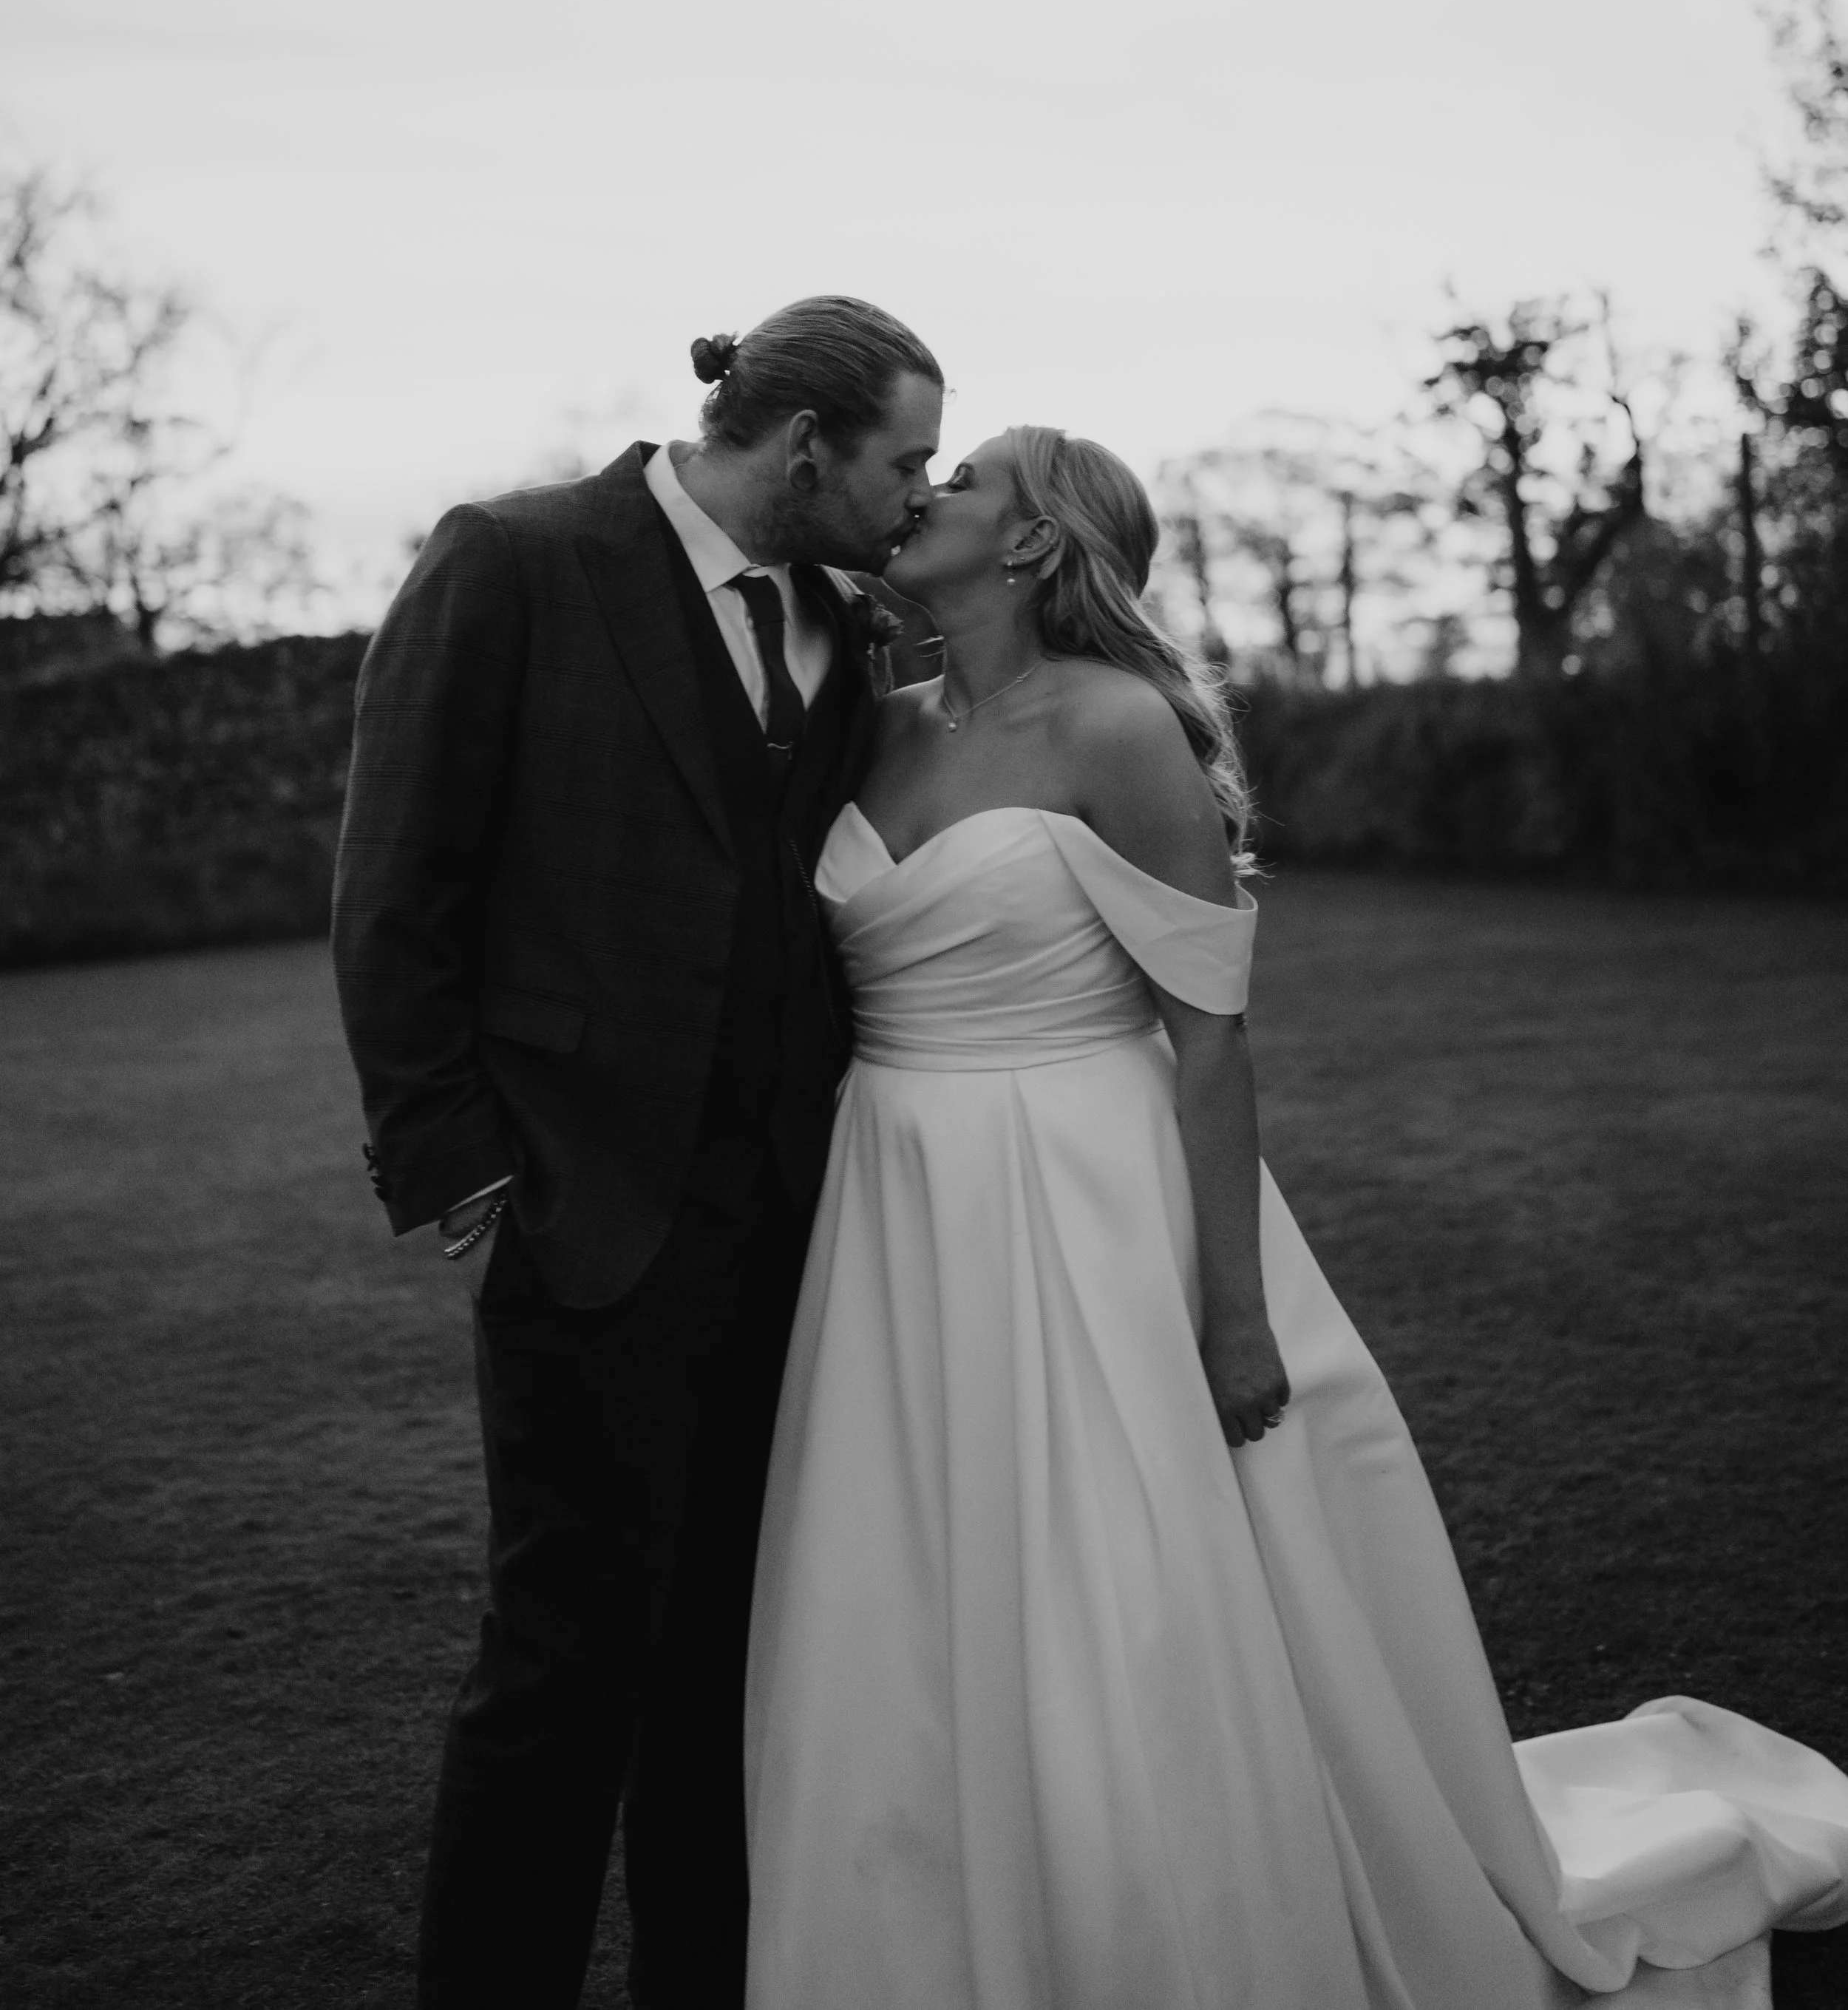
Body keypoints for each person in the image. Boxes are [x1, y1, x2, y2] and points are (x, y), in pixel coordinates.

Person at [742, 424, 1848, 2010]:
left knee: (1113, 1580)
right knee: (909, 1577)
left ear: (1036, 541)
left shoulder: (1117, 728)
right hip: (893, 1202)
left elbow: (1206, 1032)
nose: (921, 493)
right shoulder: (872, 725)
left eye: (963, 477)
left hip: (1082, 1192)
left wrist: (1233, 1307)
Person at [331, 297, 943, 2010]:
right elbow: (397, 883)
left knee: (734, 1671)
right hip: (583, 1210)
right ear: (807, 444)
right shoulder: (514, 561)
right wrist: (448, 1151)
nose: (924, 491)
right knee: (562, 1668)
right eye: (905, 459)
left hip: (798, 1231)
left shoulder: (851, 610)